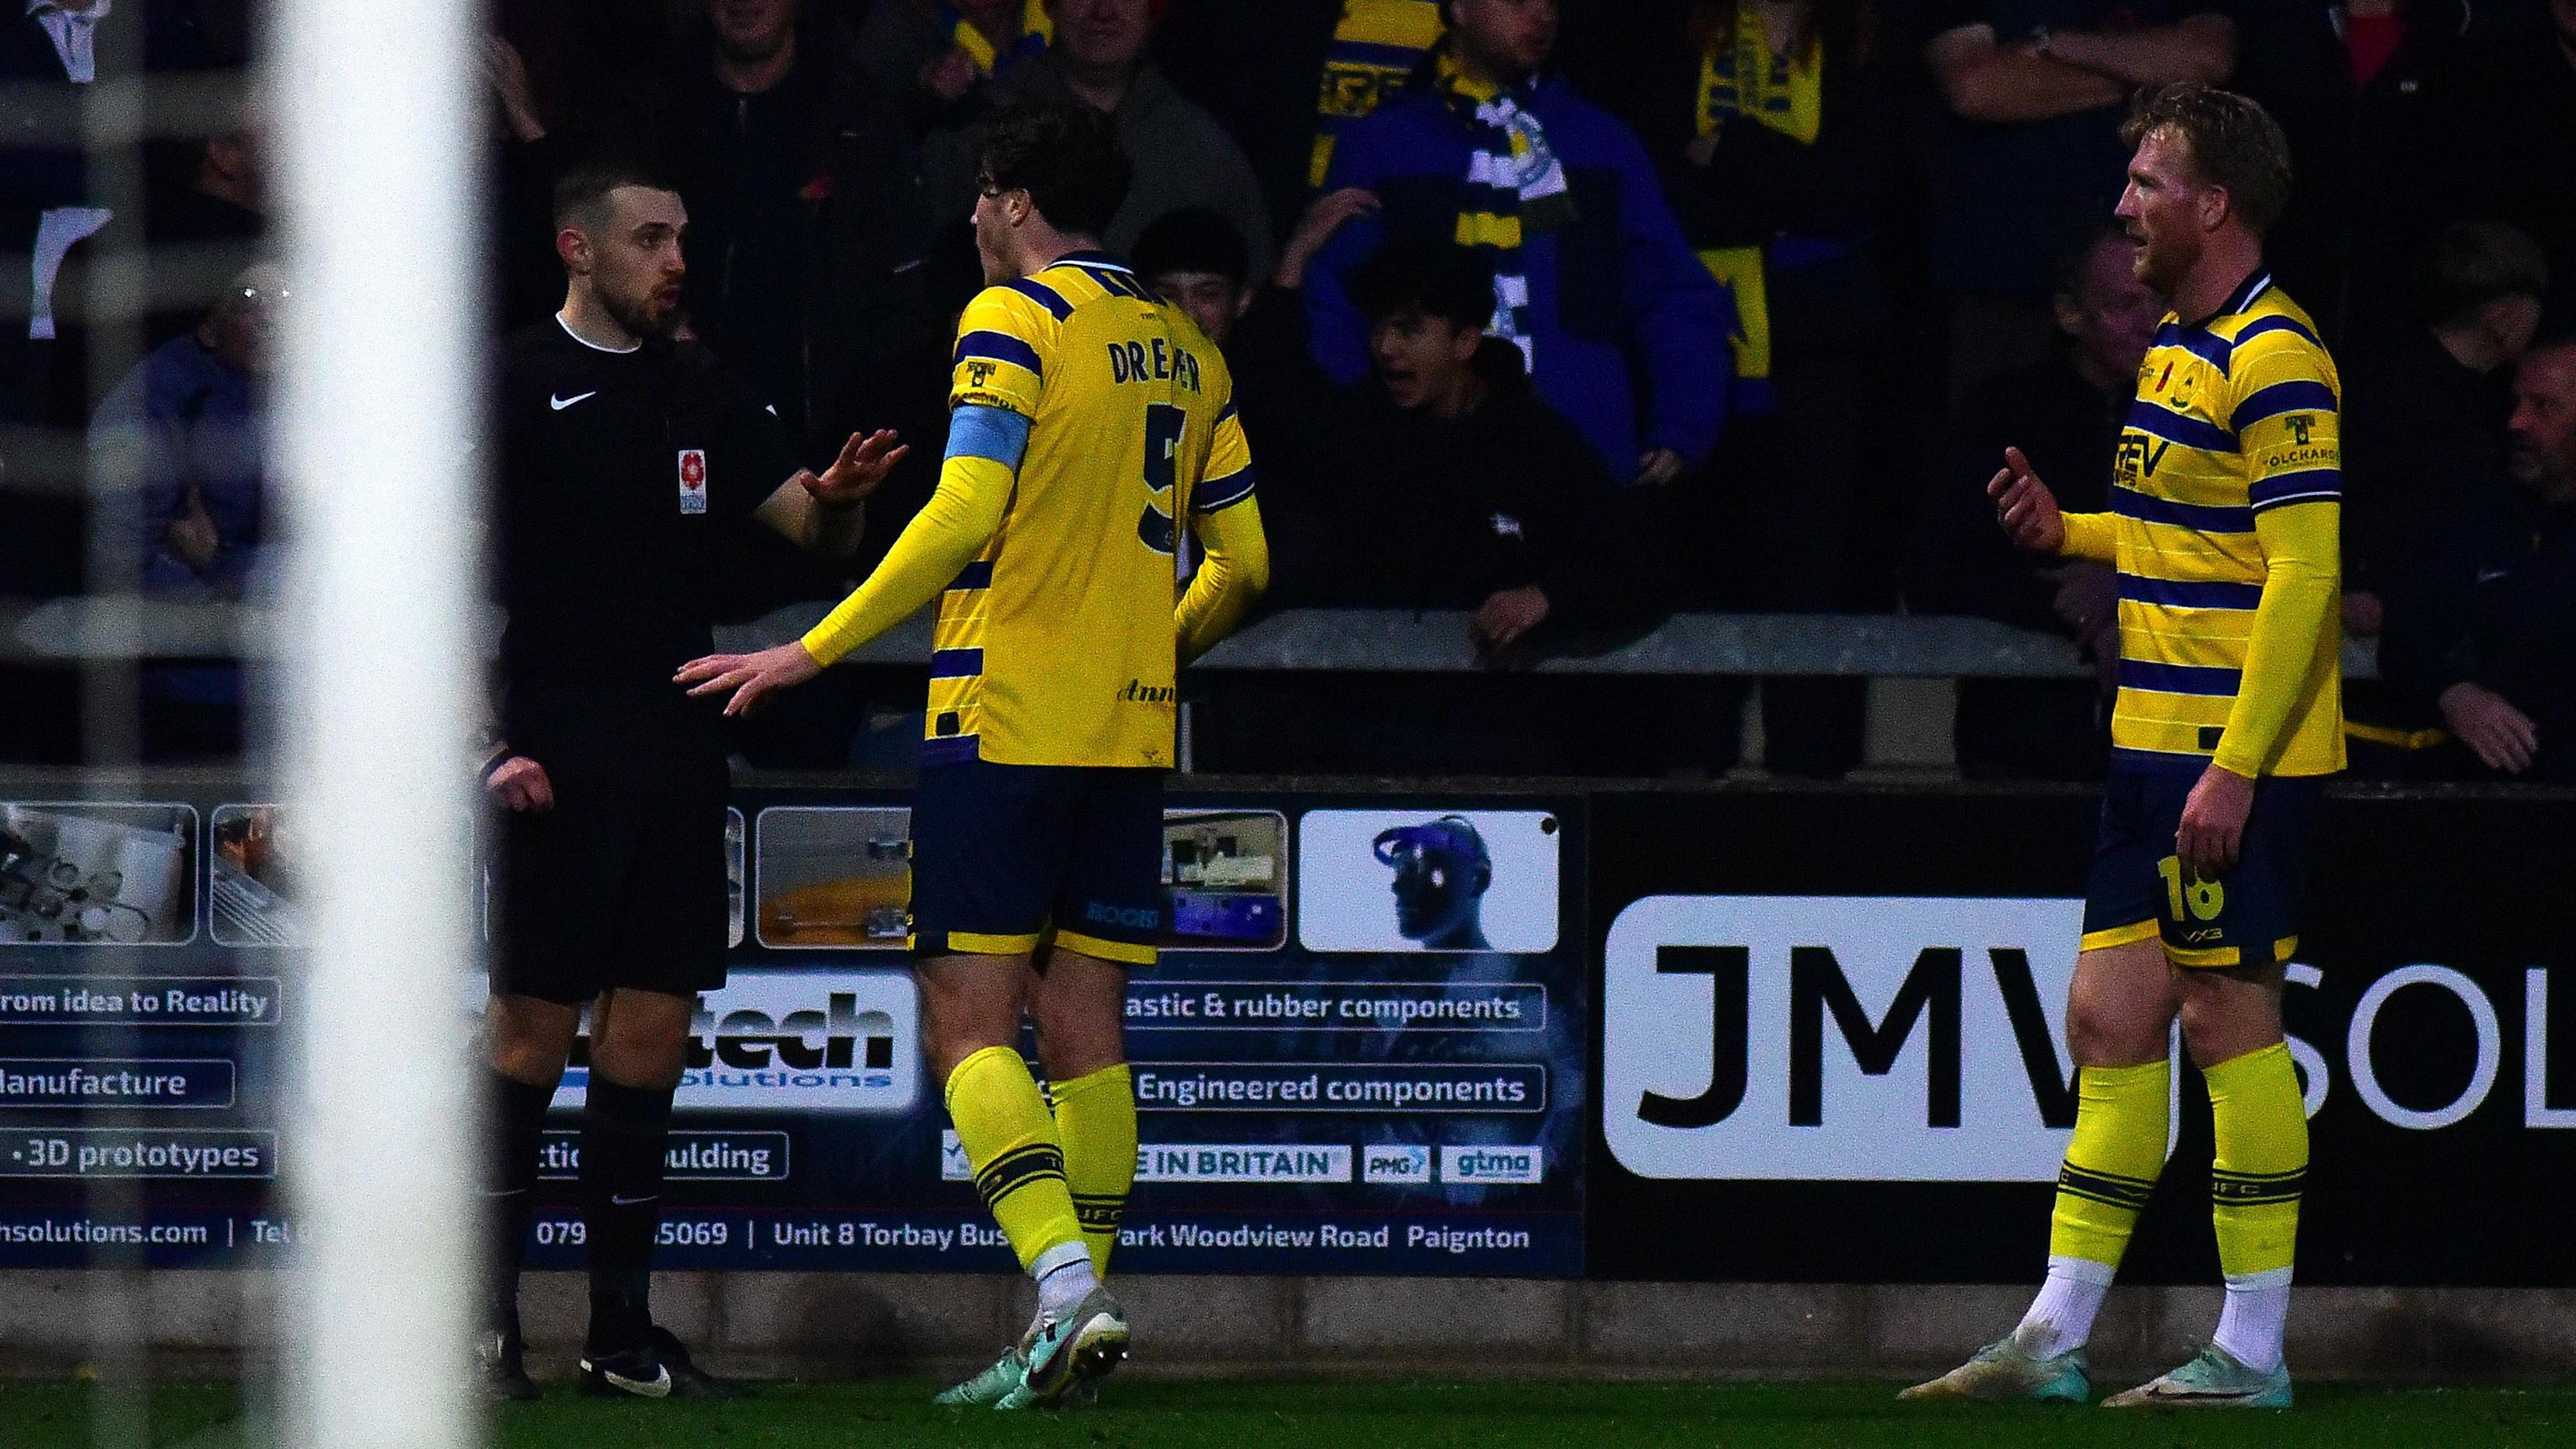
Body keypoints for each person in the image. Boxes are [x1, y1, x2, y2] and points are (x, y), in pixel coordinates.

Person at [673, 103, 1269, 1409]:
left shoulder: (1016, 320)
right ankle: (1073, 1317)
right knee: (1088, 1024)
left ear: (1007, 201)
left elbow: (966, 506)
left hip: (1002, 717)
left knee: (965, 1017)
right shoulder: (1186, 349)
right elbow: (1249, 565)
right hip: (1128, 725)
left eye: (983, 201)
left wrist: (809, 652)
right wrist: (1149, 648)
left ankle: (1063, 1291)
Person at [1906, 85, 2341, 1409]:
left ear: (2214, 204)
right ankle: (2053, 1338)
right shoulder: (2171, 347)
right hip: (2147, 747)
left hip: (2225, 757)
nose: (2124, 204)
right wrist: (2068, 536)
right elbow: (2176, 539)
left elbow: (2305, 579)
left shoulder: (2279, 358)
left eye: (2149, 182)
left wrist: (2237, 767)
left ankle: (2251, 1356)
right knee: (2107, 1021)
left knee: (2226, 1024)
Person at [478, 160, 907, 1403]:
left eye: (682, 238)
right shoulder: (509, 383)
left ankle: (620, 1338)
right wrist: (485, 747)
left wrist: (840, 507)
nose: (676, 261)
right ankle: (480, 1331)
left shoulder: (702, 391)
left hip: (677, 743)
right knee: (529, 1034)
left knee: (653, 1034)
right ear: (577, 247)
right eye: (651, 239)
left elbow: (812, 534)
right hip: (551, 746)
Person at [1303, 0, 1733, 483]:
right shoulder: (1384, 146)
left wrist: (1682, 425)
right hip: (1421, 471)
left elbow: (1670, 290)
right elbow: (1335, 301)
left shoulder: (1603, 144)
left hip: (1582, 461)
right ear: (1459, 9)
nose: (1543, 13)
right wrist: (1354, 439)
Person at [619, 0, 938, 460]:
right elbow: (607, 262)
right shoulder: (654, 116)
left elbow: (903, 298)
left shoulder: (858, 120)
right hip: (672, 432)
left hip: (828, 447)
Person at [1907, 223, 2161, 781]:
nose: (2152, 322)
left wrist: (2127, 587)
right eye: (2126, 304)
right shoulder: (2002, 418)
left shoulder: (2215, 419)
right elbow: (1934, 570)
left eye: (2163, 299)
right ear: (2070, 314)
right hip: (2022, 754)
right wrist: (2066, 602)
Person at [1921, 0, 2235, 402]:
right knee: (2001, 444)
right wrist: (2151, 76)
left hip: (2152, 283)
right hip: (2006, 277)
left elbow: (2208, 59)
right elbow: (1978, 87)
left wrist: (2053, 45)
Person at [2340, 222, 2546, 772]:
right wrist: (2352, 576)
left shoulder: (2486, 403)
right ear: (2502, 313)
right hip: (2387, 666)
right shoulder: (2398, 393)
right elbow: (2345, 488)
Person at [919, 0, 1277, 286]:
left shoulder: (1202, 148)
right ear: (1051, 5)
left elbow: (1250, 289)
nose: (1103, 11)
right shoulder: (981, 131)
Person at [87, 265, 278, 761]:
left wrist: (220, 561)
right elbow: (123, 562)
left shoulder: (333, 390)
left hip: (304, 670)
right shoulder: (157, 400)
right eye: (251, 297)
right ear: (210, 323)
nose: (274, 315)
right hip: (194, 682)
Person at [2380, 328, 2576, 781]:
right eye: (2518, 402)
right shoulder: (2483, 514)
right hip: (2475, 801)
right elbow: (2406, 636)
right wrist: (2453, 694)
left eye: (2543, 407)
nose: (2517, 423)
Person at [1376, 816, 1491, 949]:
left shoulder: (1518, 970)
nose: (1397, 887)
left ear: (1480, 878)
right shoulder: (1368, 969)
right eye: (1399, 871)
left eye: (1423, 869)